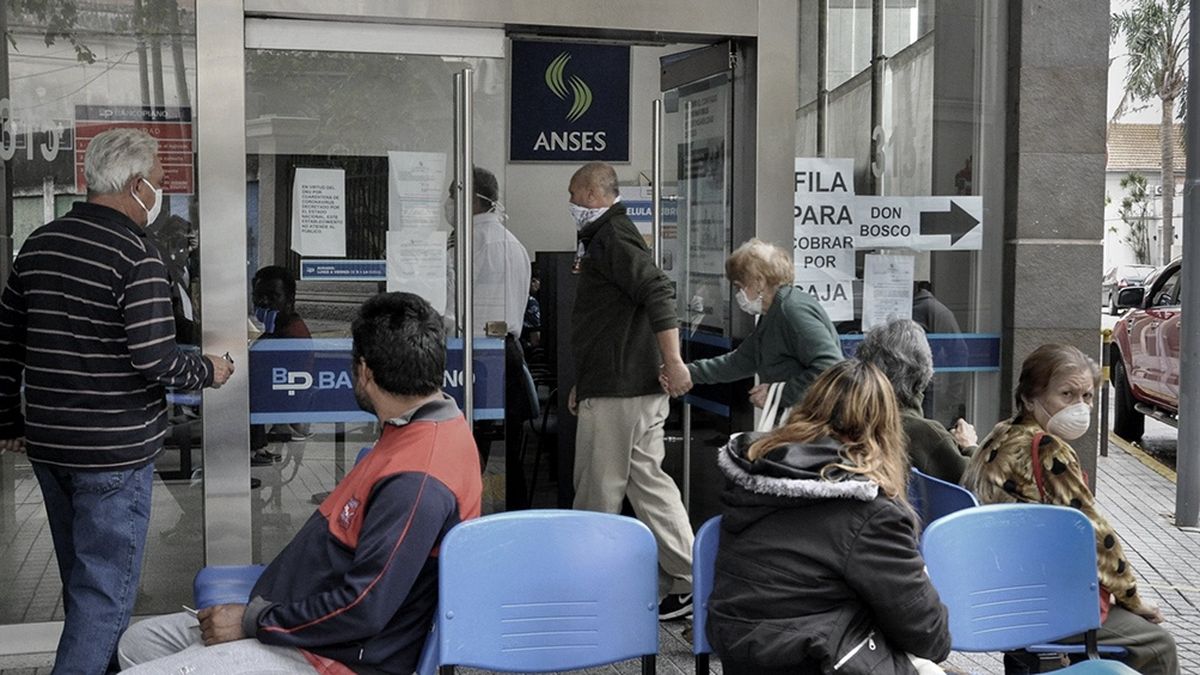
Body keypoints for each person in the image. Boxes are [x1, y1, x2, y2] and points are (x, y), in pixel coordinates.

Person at [118, 292, 483, 675]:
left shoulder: (417, 479)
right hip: (292, 622)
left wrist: (251, 621)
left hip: (329, 656)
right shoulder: (417, 426)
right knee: (138, 644)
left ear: (364, 371)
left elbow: (364, 609)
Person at [0, 128, 234, 674]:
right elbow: (155, 359)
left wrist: (9, 418)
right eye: (156, 182)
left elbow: (7, 344)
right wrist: (211, 370)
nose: (159, 193)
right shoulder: (136, 254)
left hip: (51, 445)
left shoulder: (40, 243)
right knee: (105, 600)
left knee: (86, 586)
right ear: (135, 184)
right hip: (113, 455)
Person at [707, 359, 952, 674]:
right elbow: (930, 635)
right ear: (883, 430)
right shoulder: (869, 513)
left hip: (745, 657)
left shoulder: (755, 473)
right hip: (816, 658)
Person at [961, 344, 1178, 674]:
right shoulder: (1047, 449)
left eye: (1087, 397)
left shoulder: (1001, 432)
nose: (1080, 407)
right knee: (1157, 643)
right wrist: (1134, 600)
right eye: (1067, 394)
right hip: (1037, 603)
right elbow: (1094, 533)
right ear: (1031, 398)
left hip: (996, 590)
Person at [567, 161, 695, 620]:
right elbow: (612, 320)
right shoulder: (608, 237)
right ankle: (688, 578)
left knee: (597, 492)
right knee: (650, 486)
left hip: (621, 392)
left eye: (576, 197)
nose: (573, 206)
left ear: (594, 195)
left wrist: (675, 361)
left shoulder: (613, 237)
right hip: (627, 385)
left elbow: (657, 291)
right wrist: (588, 378)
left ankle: (587, 591)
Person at [681, 238, 843, 413]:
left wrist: (779, 394)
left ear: (759, 282)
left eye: (739, 286)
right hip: (798, 419)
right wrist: (686, 373)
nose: (738, 294)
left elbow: (831, 366)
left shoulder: (791, 311)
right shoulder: (774, 313)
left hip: (812, 422)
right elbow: (740, 362)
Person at [444, 167, 532, 480]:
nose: (449, 204)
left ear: (472, 199)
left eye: (453, 196)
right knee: (508, 455)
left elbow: (451, 307)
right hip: (509, 353)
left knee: (469, 446)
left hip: (474, 354)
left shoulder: (468, 244)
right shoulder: (515, 244)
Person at [856, 319, 976, 483]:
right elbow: (978, 483)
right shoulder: (925, 434)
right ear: (924, 370)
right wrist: (970, 446)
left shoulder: (855, 419)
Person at [250, 265, 313, 461]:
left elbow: (260, 373)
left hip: (284, 401)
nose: (264, 302)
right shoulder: (279, 327)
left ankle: (255, 448)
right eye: (259, 296)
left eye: (272, 296)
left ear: (289, 300)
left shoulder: (292, 333)